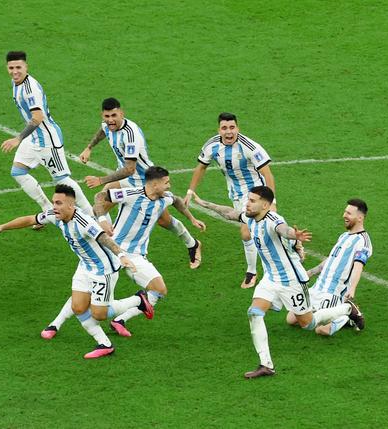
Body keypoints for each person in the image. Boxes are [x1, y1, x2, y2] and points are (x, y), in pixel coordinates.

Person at [192, 187, 365, 379]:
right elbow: (230, 213)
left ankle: (348, 310)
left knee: (308, 323)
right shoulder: (250, 216)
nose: (247, 204)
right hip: (271, 278)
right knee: (254, 313)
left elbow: (283, 229)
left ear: (265, 205)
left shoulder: (273, 220)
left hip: (291, 281)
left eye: (252, 200)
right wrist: (203, 203)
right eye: (248, 200)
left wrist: (295, 235)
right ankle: (266, 365)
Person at [0, 184, 154, 359]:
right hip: (84, 266)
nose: (54, 207)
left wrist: (122, 256)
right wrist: (1, 227)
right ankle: (105, 344)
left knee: (99, 314)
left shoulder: (83, 222)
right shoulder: (54, 215)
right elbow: (30, 219)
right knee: (78, 308)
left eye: (59, 203)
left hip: (103, 270)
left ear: (71, 205)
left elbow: (103, 238)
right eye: (54, 202)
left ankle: (138, 299)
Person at [40, 166, 206, 339]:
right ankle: (55, 324)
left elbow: (178, 201)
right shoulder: (132, 194)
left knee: (159, 289)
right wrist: (103, 219)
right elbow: (100, 196)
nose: (169, 185)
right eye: (166, 182)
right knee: (83, 289)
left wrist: (192, 218)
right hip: (111, 250)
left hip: (135, 256)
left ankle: (120, 320)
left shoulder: (165, 198)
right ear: (155, 184)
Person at [79, 97, 203, 269]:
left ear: (121, 113)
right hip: (126, 179)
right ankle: (102, 241)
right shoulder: (107, 126)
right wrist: (89, 148)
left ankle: (193, 244)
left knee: (164, 221)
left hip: (145, 182)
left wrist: (101, 180)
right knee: (100, 206)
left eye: (114, 115)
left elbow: (130, 168)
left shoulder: (131, 134)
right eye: (106, 116)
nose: (110, 120)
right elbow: (102, 131)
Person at [183, 112, 276, 288]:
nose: (228, 132)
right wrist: (190, 191)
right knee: (254, 231)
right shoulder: (211, 146)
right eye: (224, 128)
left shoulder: (250, 146)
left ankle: (256, 269)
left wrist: (269, 201)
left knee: (257, 230)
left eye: (232, 127)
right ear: (219, 130)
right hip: (238, 196)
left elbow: (267, 173)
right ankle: (258, 268)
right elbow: (201, 167)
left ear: (237, 128)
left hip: (260, 192)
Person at [1, 51, 92, 215]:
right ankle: (47, 209)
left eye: (18, 67)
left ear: (26, 67)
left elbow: (38, 117)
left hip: (47, 140)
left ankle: (92, 214)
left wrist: (18, 139)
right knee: (18, 172)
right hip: (33, 138)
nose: (15, 71)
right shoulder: (16, 82)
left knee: (62, 180)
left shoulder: (30, 89)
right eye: (11, 68)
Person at [285, 199, 372, 336]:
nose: (344, 215)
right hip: (317, 288)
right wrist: (311, 272)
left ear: (360, 217)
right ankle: (342, 313)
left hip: (332, 293)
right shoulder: (344, 236)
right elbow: (331, 259)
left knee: (319, 329)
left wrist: (352, 289)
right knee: (291, 319)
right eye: (345, 212)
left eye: (348, 213)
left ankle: (347, 312)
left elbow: (358, 267)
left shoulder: (363, 241)